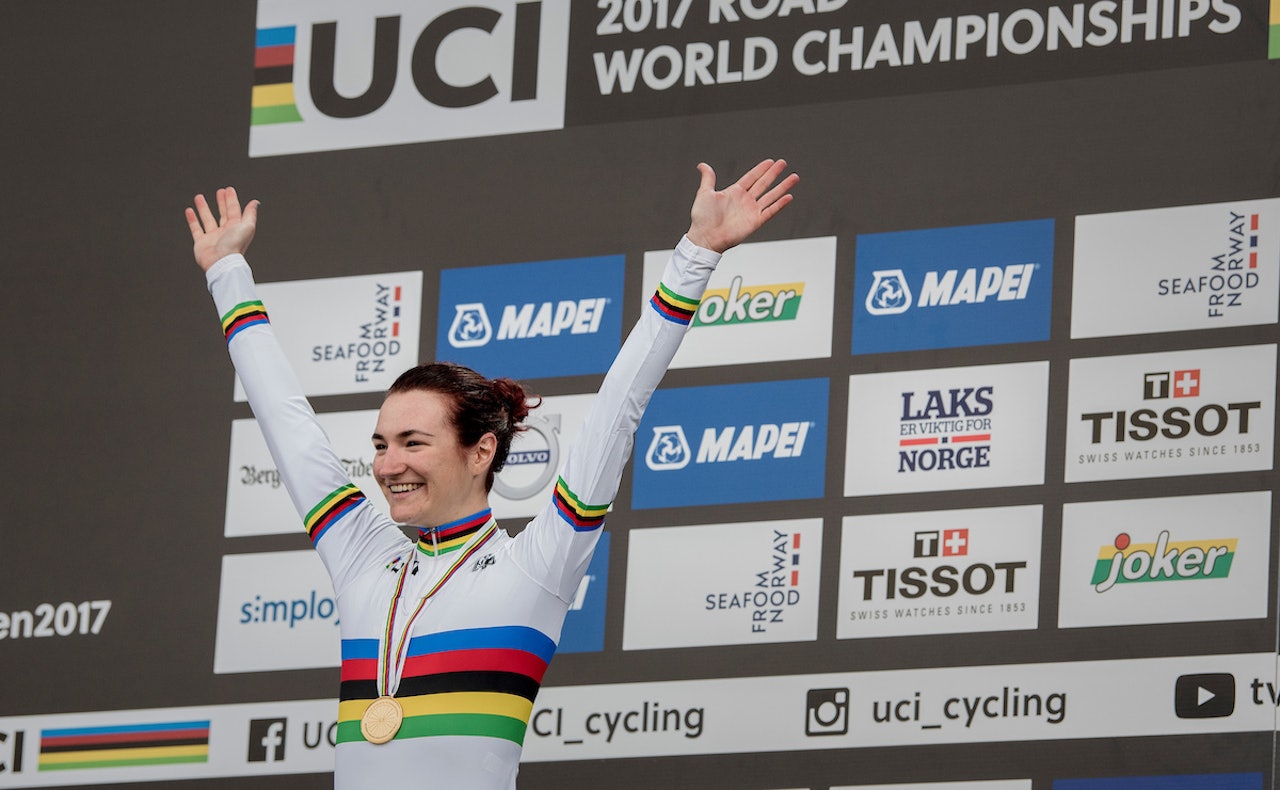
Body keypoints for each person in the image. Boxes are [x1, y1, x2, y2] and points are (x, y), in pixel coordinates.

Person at [185, 158, 798, 788]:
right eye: (380, 444)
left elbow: (620, 406)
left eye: (413, 442)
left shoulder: (535, 563)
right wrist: (227, 272)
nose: (388, 464)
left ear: (480, 452)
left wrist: (694, 256)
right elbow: (285, 421)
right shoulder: (364, 558)